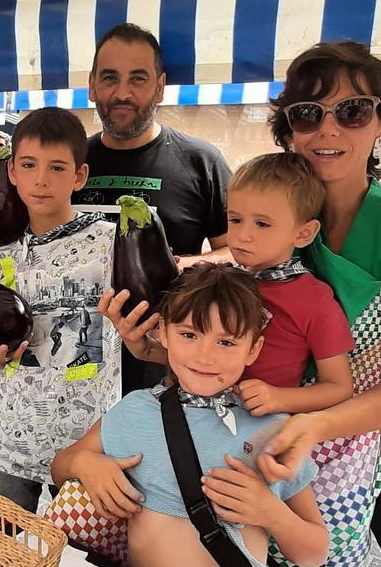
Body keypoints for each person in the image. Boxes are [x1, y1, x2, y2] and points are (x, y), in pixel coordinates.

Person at [108, 42, 381, 567]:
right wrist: (153, 349)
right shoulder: (263, 238)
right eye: (307, 112)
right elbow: (229, 347)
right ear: (287, 128)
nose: (327, 127)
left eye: (353, 110)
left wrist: (313, 426)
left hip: (333, 467)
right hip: (233, 455)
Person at [54, 265, 327, 567]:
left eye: (226, 341)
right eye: (189, 335)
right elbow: (60, 467)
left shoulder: (273, 431)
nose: (205, 356)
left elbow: (315, 552)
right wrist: (85, 463)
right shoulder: (135, 411)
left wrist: (270, 512)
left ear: (253, 349)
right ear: (163, 332)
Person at [106, 152, 355, 416]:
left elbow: (338, 387)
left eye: (262, 223)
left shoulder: (313, 300)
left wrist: (281, 398)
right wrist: (147, 350)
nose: (243, 235)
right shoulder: (212, 283)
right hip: (184, 418)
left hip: (255, 434)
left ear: (303, 233)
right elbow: (200, 357)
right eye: (235, 219)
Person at [0, 107, 120, 512]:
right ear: (13, 173)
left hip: (88, 447)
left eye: (57, 168)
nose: (41, 179)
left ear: (79, 176)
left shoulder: (113, 244)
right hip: (9, 440)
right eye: (29, 165)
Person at [76, 22, 234, 394]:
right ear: (92, 84)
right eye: (110, 78)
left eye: (138, 79)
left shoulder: (202, 162)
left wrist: (188, 264)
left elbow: (242, 251)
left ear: (160, 87)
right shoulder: (68, 164)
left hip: (163, 371)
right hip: (72, 374)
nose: (122, 93)